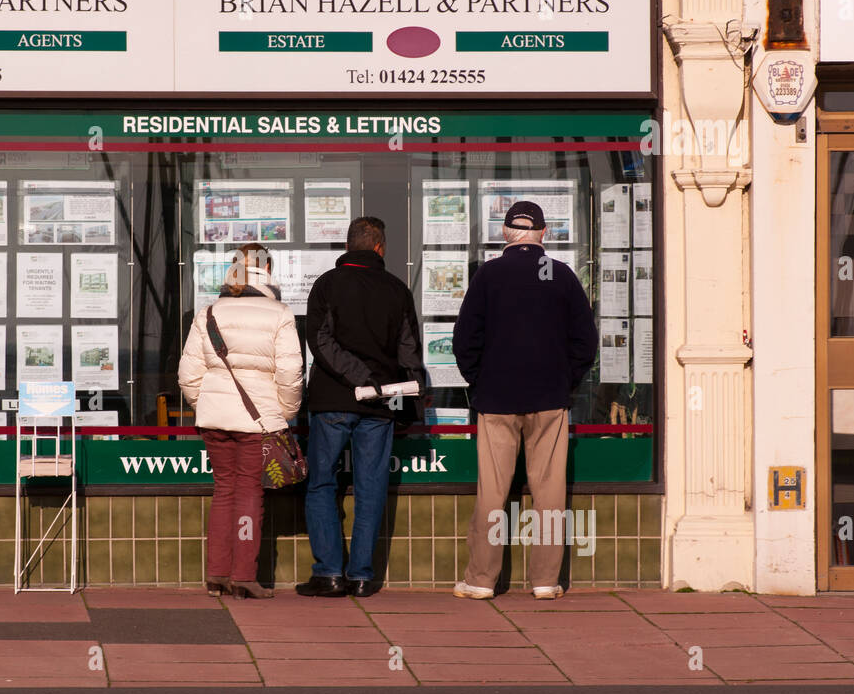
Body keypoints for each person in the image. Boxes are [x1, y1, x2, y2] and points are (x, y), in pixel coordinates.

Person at [451, 200, 597, 601]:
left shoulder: (489, 274)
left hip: (497, 400)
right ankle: (545, 581)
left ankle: (481, 580)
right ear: (544, 234)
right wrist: (564, 381)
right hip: (549, 400)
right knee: (549, 492)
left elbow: (464, 341)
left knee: (492, 492)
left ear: (504, 233)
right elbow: (586, 344)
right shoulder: (562, 276)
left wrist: (480, 382)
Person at [298, 217, 425, 598]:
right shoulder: (398, 290)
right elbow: (409, 352)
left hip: (333, 400)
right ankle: (361, 577)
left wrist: (356, 377)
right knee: (371, 488)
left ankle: (329, 574)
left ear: (349, 245)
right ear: (379, 248)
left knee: (321, 483)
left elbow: (319, 342)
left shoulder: (327, 285)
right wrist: (406, 403)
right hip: (382, 404)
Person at [178, 243, 303, 600]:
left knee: (224, 492)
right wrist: (284, 412)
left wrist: (207, 404)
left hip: (214, 419)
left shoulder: (209, 312)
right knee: (249, 492)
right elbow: (292, 372)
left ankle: (217, 574)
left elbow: (188, 373)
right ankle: (244, 576)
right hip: (258, 422)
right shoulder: (280, 314)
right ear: (269, 271)